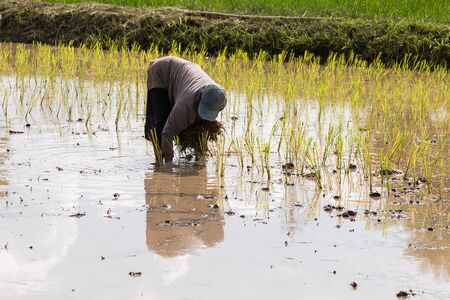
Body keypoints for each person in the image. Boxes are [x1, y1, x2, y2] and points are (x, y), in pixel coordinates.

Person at [145, 56, 227, 163]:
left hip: (184, 72)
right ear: (199, 98)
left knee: (202, 126)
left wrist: (201, 159)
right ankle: (159, 160)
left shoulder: (219, 97)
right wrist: (168, 166)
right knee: (161, 124)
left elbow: (203, 128)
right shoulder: (185, 104)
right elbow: (167, 132)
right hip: (162, 72)